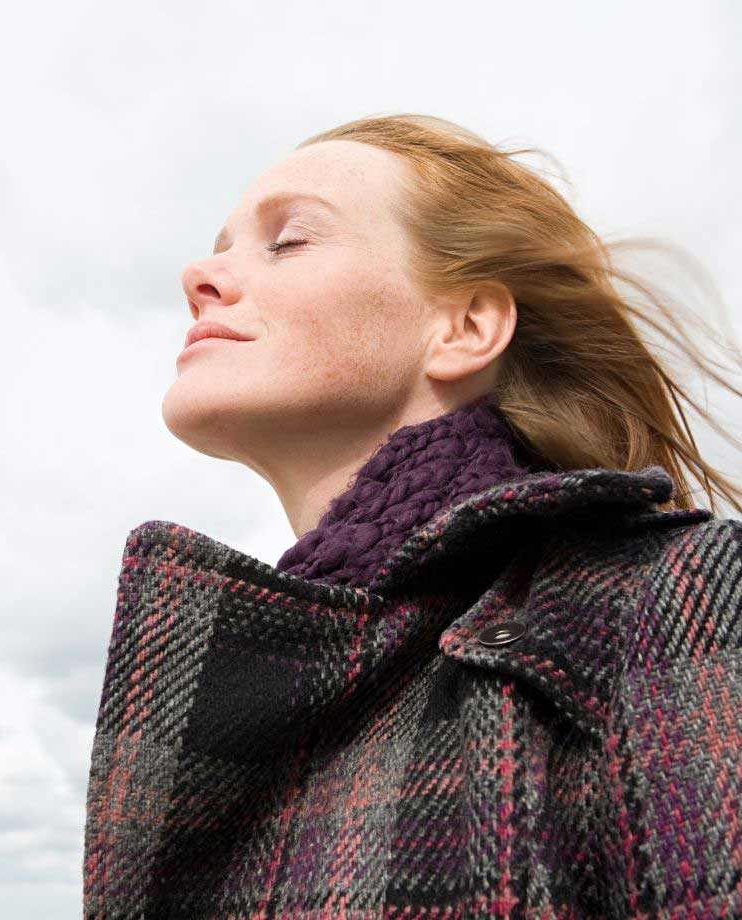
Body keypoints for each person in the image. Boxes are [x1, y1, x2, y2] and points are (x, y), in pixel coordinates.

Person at [83, 114, 742, 918]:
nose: (200, 273)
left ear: (464, 328)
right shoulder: (294, 680)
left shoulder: (677, 595)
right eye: (219, 245)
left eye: (287, 240)